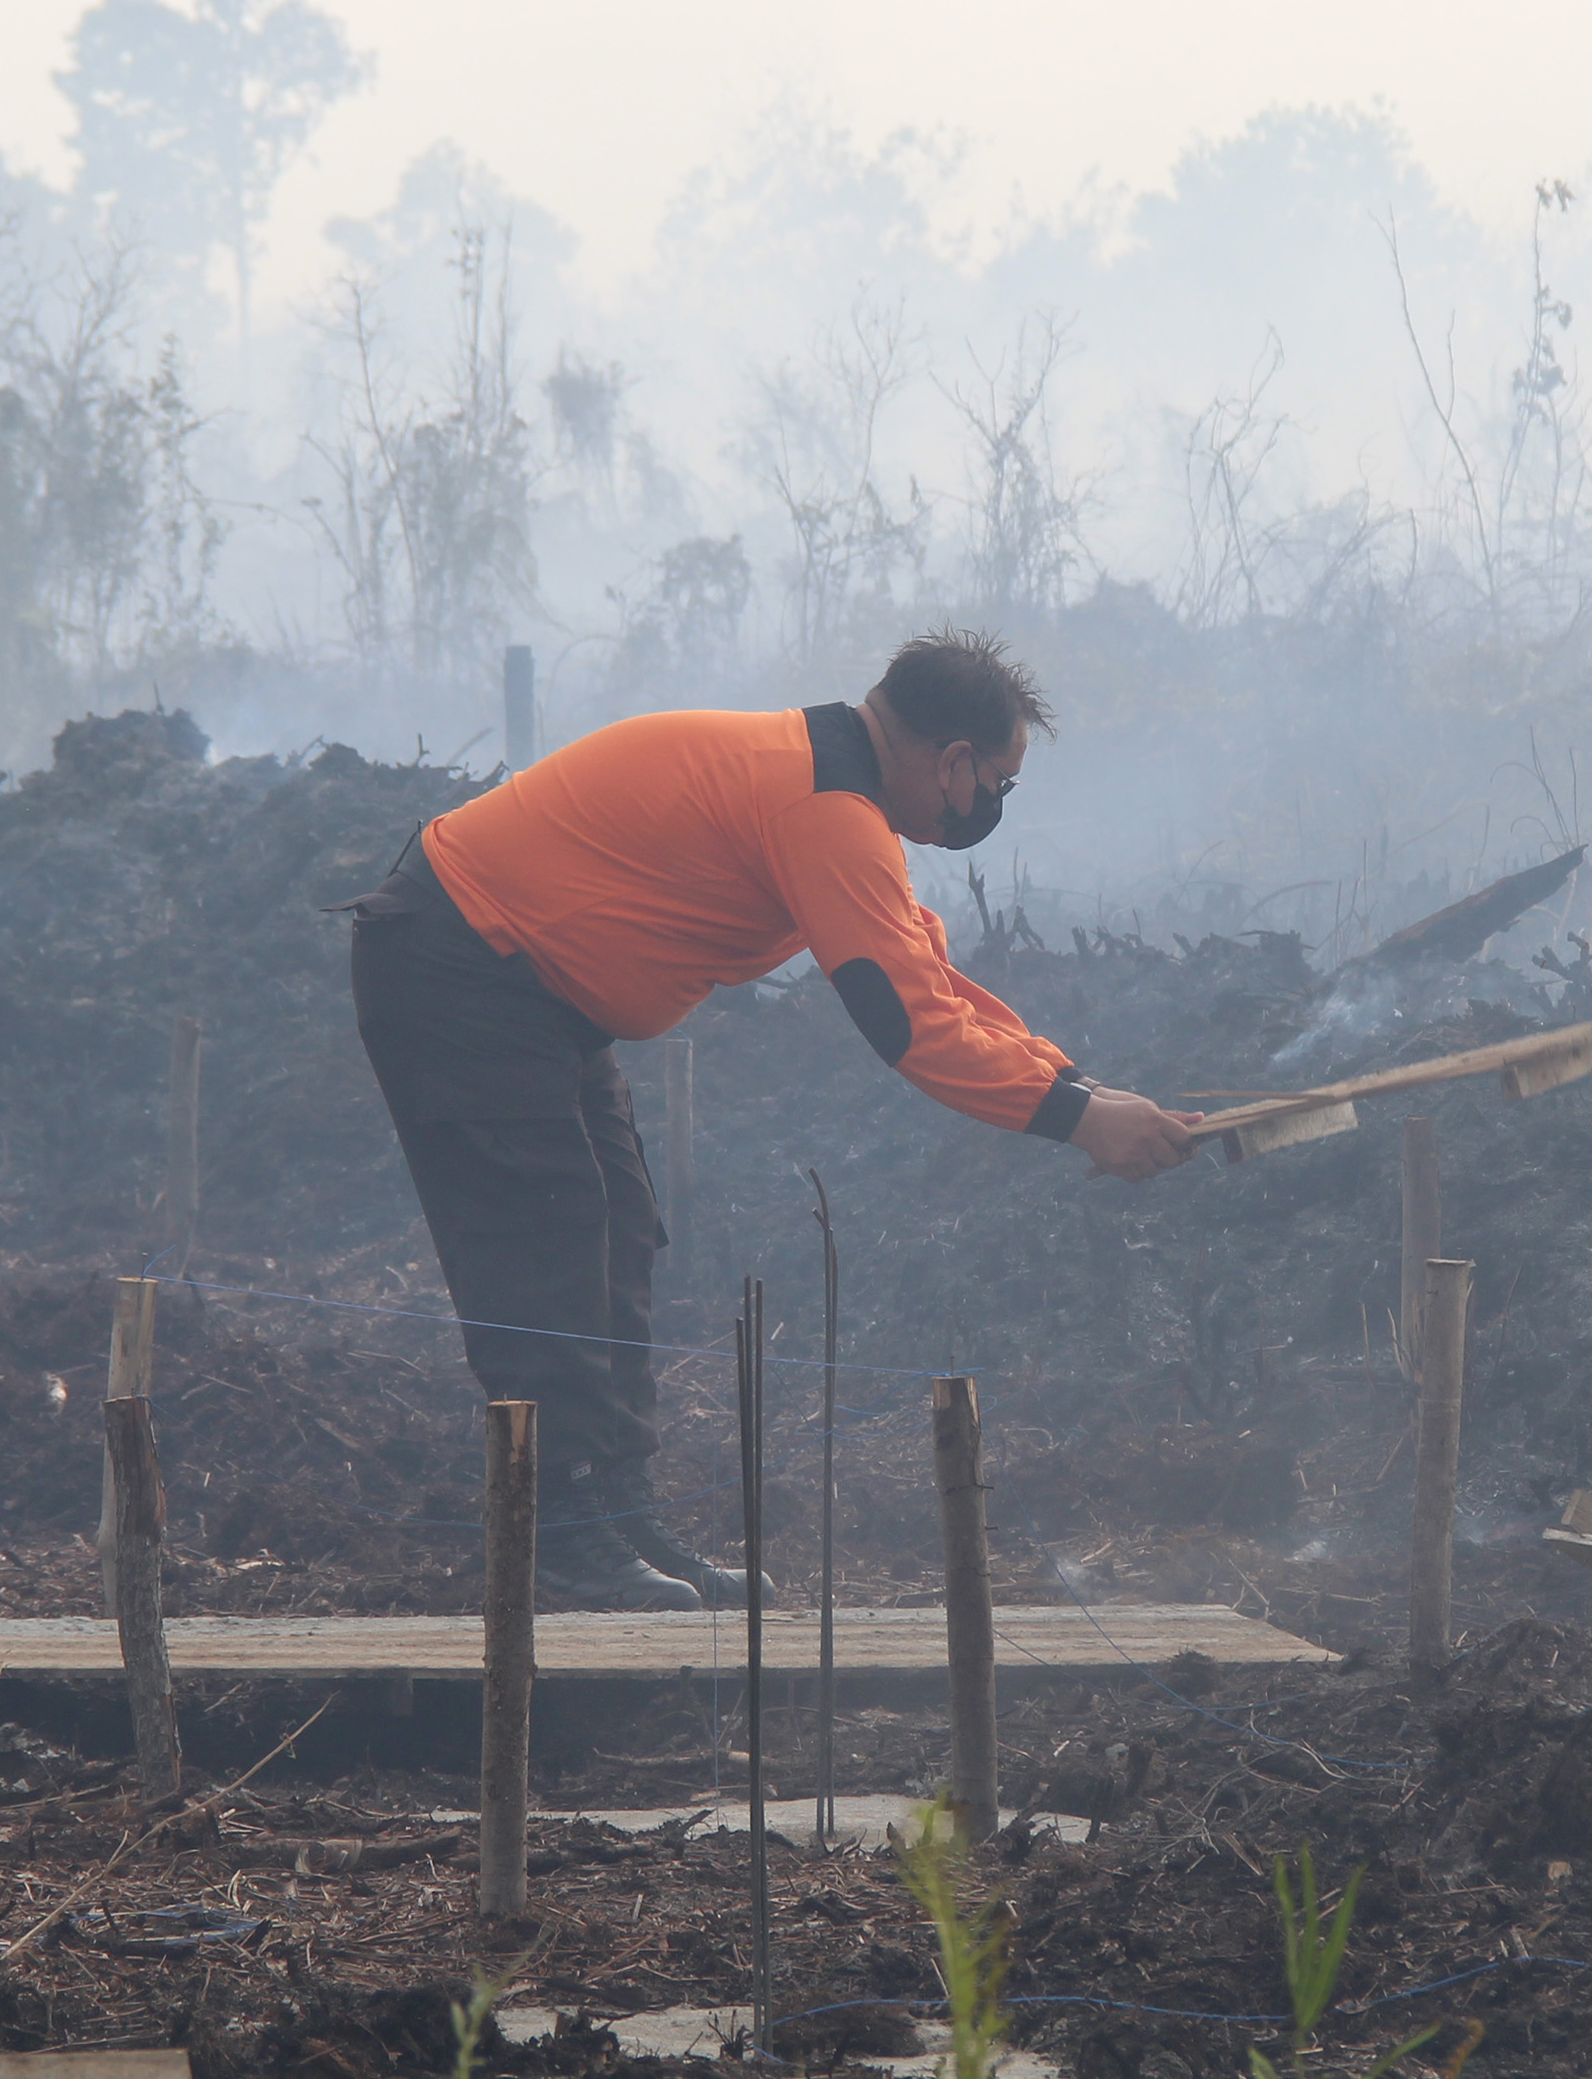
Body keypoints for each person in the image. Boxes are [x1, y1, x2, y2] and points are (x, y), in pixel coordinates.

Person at [338, 630, 1198, 1608]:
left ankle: (618, 1515)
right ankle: (565, 1540)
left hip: (525, 988)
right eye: (999, 782)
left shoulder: (837, 797)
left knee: (617, 1227)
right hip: (459, 964)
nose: (992, 804)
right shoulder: (824, 809)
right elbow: (910, 1029)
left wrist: (1083, 1090)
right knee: (550, 1232)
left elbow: (931, 981)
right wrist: (1078, 1122)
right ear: (953, 761)